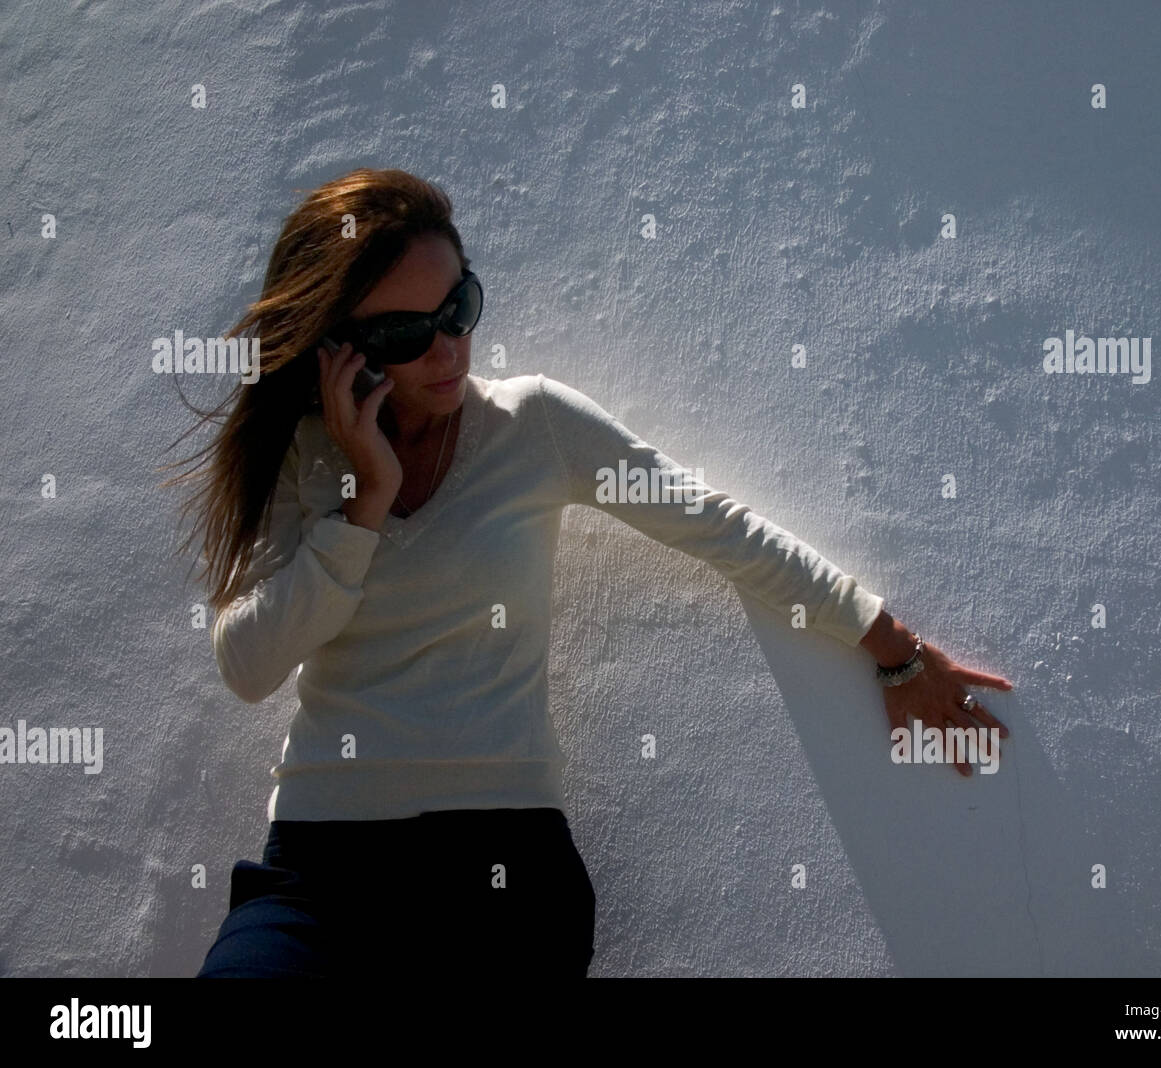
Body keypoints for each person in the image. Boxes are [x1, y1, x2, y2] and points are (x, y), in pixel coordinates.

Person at [162, 168, 1011, 978]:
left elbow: (715, 524)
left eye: (461, 306)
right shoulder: (301, 456)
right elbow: (250, 664)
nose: (451, 347)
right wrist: (366, 502)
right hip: (322, 865)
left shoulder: (533, 425)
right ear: (340, 349)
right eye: (408, 334)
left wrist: (892, 648)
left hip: (501, 866)